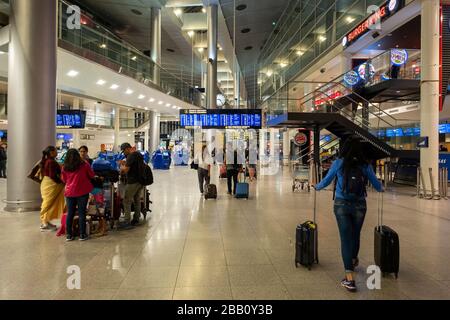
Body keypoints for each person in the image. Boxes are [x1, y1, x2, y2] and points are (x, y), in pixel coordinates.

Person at [313, 138, 383, 292]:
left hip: (341, 204)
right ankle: (353, 259)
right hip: (359, 205)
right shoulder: (365, 165)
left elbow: (326, 181)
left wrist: (316, 187)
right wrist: (381, 188)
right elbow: (377, 185)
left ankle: (349, 278)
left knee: (345, 239)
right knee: (355, 234)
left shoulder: (339, 163)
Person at [62, 149, 95, 241]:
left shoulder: (65, 167)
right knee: (81, 213)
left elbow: (64, 180)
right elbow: (92, 175)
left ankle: (69, 235)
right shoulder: (84, 164)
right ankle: (82, 234)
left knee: (70, 213)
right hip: (82, 191)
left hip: (69, 192)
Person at [39, 146, 66, 232]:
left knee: (49, 203)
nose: (57, 152)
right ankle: (44, 223)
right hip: (51, 184)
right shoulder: (51, 162)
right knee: (47, 203)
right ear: (51, 152)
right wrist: (62, 182)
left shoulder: (48, 161)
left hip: (47, 183)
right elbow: (53, 176)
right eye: (55, 150)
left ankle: (46, 221)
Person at [120, 143, 145, 227]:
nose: (123, 153)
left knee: (126, 200)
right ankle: (136, 219)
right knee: (137, 199)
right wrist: (126, 162)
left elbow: (126, 170)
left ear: (127, 149)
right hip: (140, 181)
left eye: (123, 150)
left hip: (133, 181)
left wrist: (122, 167)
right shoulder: (138, 154)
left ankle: (127, 221)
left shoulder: (131, 156)